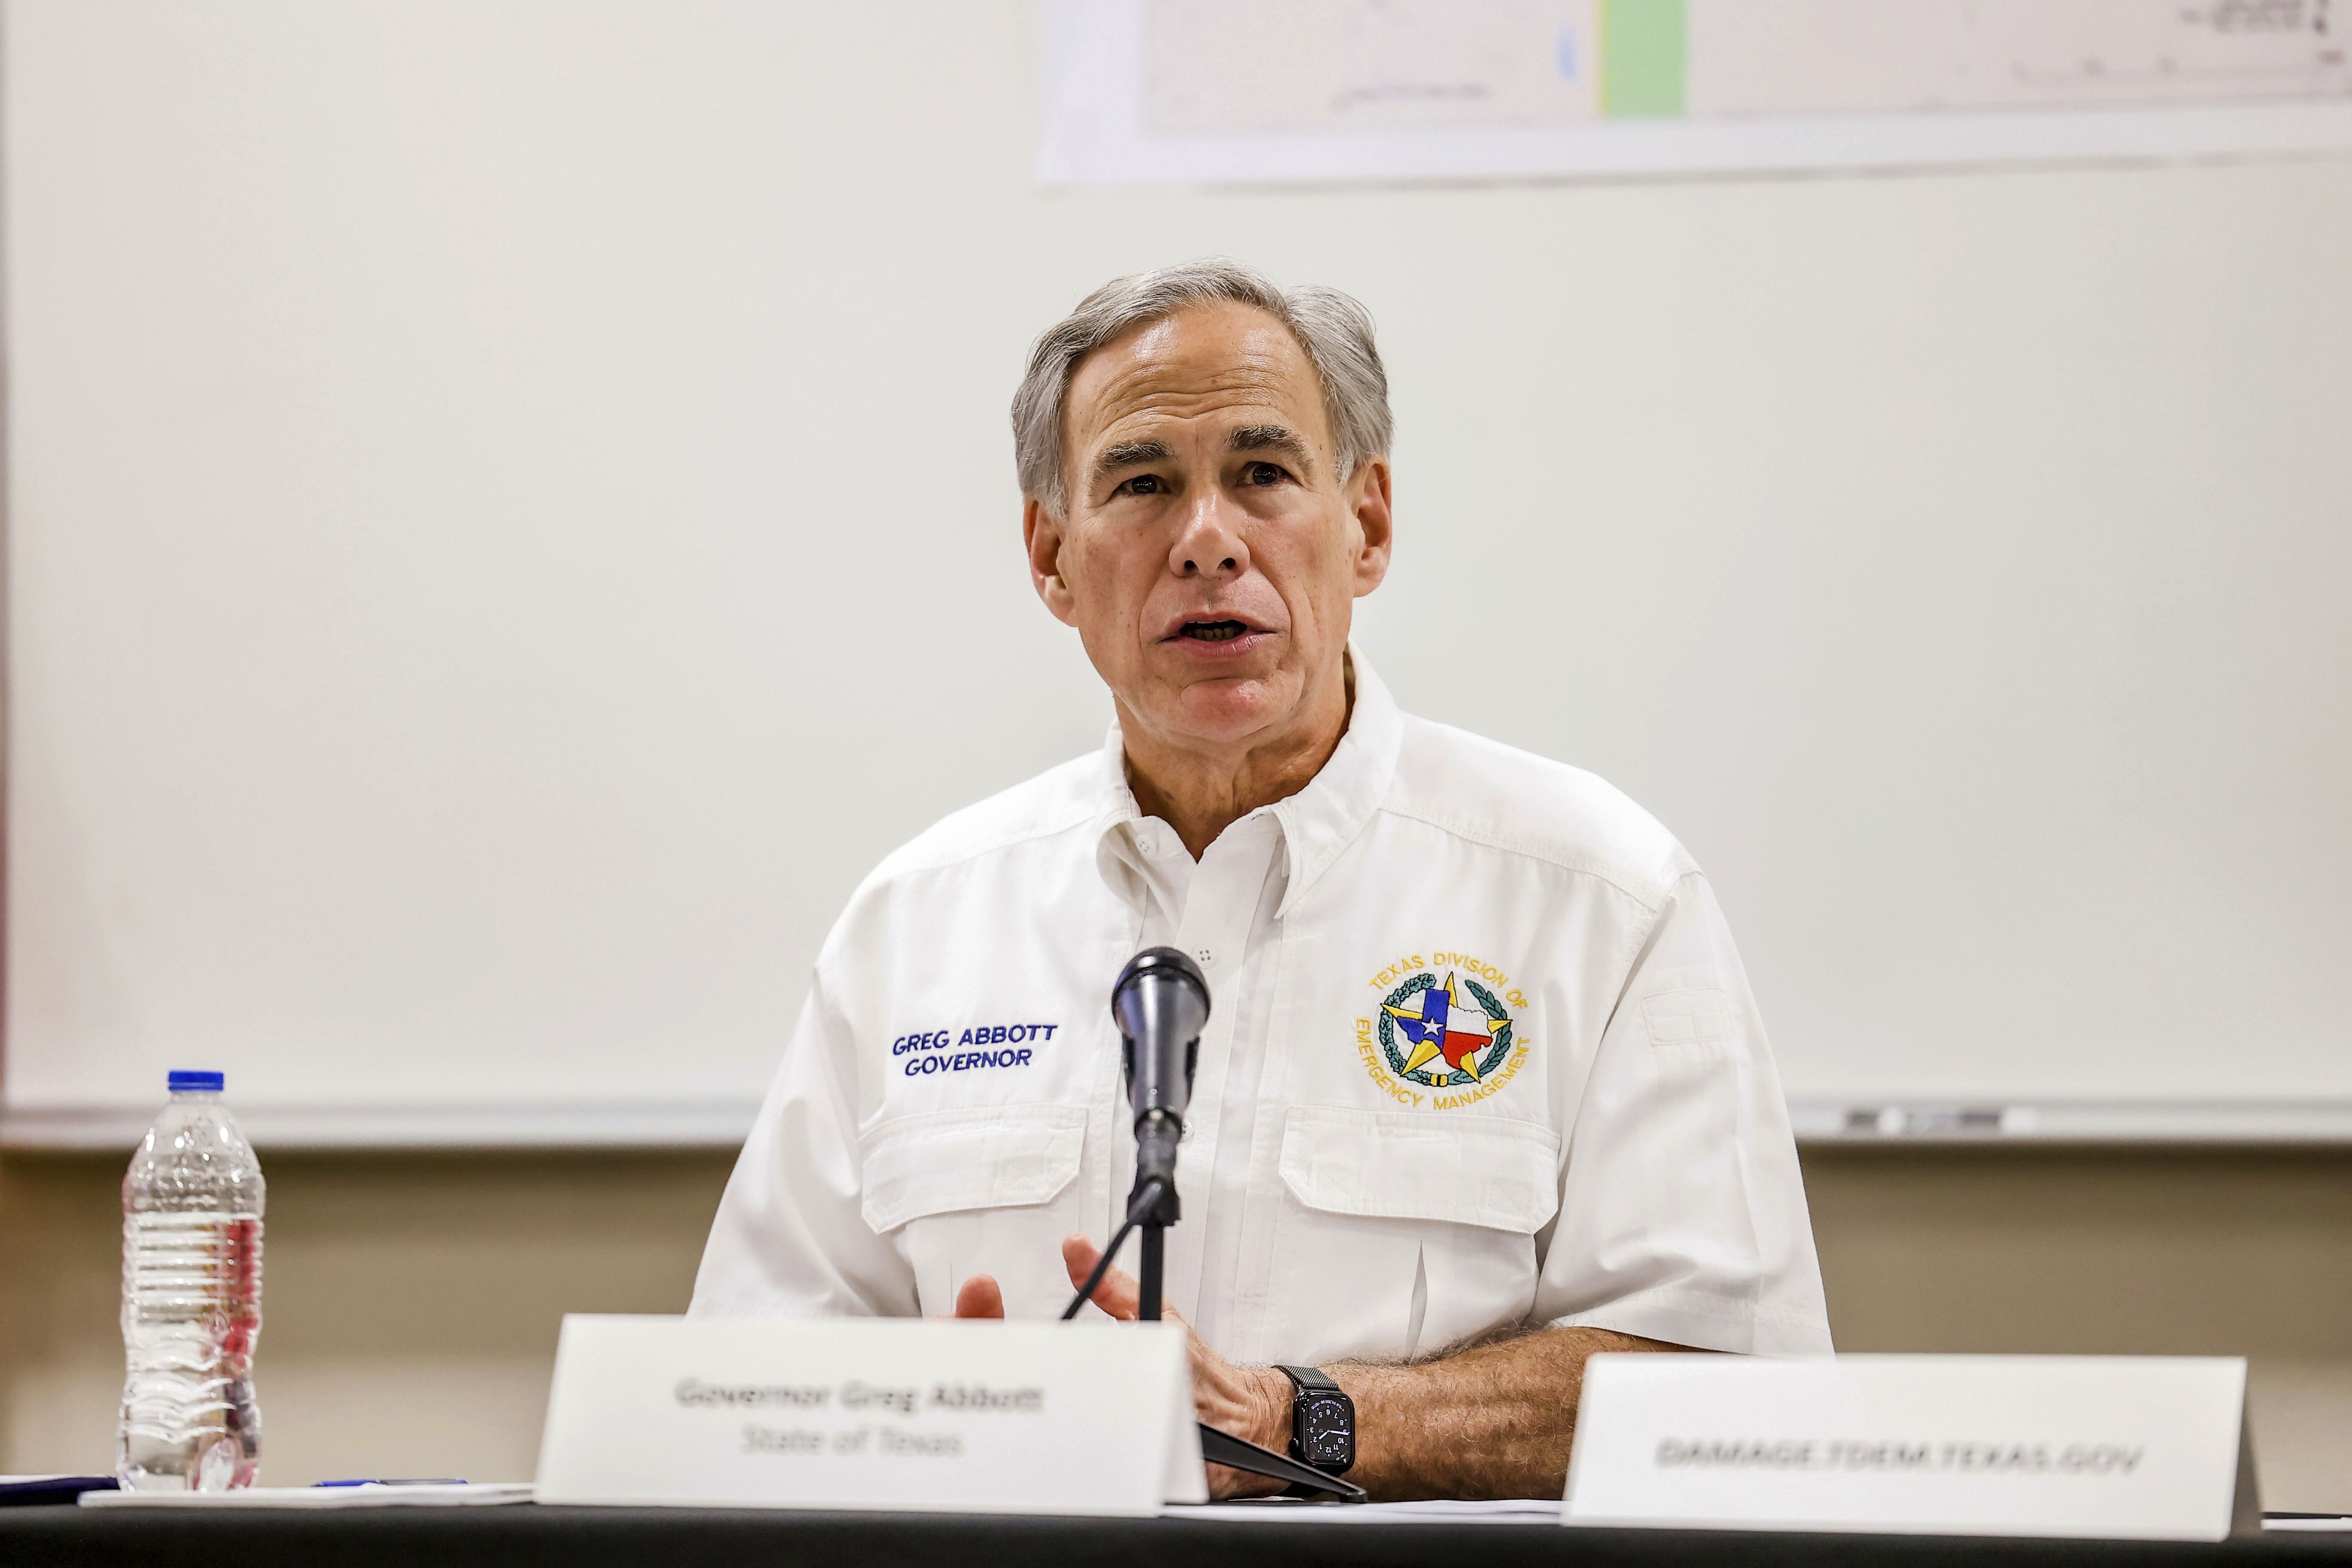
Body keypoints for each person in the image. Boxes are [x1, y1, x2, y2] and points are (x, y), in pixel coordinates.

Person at [690, 258, 1832, 1501]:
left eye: (1263, 475)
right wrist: (929, 1422)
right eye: (1141, 485)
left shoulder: (1599, 899)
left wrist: (1306, 1423)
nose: (1206, 542)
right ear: (1052, 558)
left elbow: (1729, 1384)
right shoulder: (915, 927)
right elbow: (749, 1376)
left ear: (1368, 526)